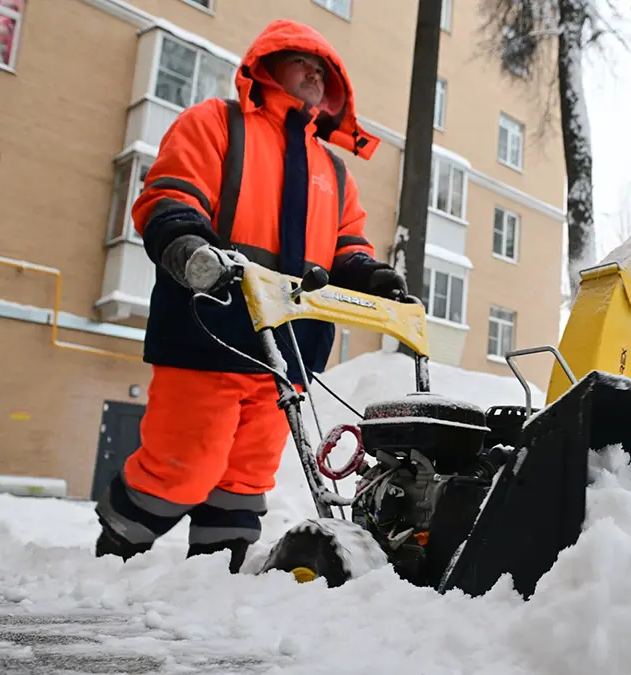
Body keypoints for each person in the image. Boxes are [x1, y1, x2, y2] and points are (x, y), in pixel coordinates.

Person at [93, 19, 407, 574]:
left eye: (325, 72)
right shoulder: (217, 123)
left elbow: (347, 245)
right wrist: (187, 247)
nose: (315, 76)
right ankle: (117, 550)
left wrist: (370, 275)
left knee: (247, 475)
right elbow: (172, 195)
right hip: (209, 330)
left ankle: (218, 573)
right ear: (267, 65)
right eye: (304, 63)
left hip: (288, 350)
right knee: (183, 463)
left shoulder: (332, 169)